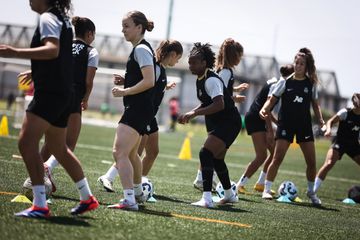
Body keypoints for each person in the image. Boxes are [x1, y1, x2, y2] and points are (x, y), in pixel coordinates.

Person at [0, 0, 98, 218]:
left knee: (26, 143)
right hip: (64, 94)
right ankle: (87, 197)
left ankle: (40, 204)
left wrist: (14, 51)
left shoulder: (48, 18)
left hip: (51, 93)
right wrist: (35, 72)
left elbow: (53, 50)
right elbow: (62, 58)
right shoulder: (63, 21)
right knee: (59, 148)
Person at [98, 40, 183, 192]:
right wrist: (126, 83)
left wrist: (165, 86)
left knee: (152, 152)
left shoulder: (160, 68)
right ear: (172, 54)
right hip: (145, 113)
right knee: (133, 151)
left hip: (151, 114)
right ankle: (116, 179)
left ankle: (139, 182)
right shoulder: (155, 67)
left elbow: (153, 83)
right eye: (178, 58)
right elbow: (144, 82)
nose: (178, 61)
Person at [178, 42, 242, 208]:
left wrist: (194, 113)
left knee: (205, 153)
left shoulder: (211, 79)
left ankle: (206, 198)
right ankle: (229, 195)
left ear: (204, 63)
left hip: (229, 122)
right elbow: (208, 103)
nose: (190, 65)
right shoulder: (201, 78)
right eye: (190, 61)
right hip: (224, 122)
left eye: (194, 62)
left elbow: (219, 104)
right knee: (217, 159)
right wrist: (191, 113)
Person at [40, 16, 99, 192]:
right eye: (93, 35)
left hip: (54, 94)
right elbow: (89, 81)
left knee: (50, 140)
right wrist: (86, 98)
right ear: (89, 34)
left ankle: (34, 177)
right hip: (72, 96)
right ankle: (47, 168)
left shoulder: (64, 46)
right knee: (69, 143)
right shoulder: (91, 51)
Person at [259, 48, 325, 205]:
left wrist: (321, 120)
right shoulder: (285, 82)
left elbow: (315, 105)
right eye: (296, 63)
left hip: (304, 126)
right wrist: (264, 108)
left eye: (302, 64)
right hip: (286, 125)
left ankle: (311, 192)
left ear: (306, 66)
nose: (298, 66)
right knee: (277, 158)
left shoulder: (311, 84)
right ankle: (266, 190)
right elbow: (272, 99)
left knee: (311, 162)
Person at [106, 11, 156, 211]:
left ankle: (129, 199)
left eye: (127, 26)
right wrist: (127, 81)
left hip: (138, 108)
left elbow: (149, 81)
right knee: (132, 153)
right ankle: (136, 192)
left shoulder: (141, 49)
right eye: (123, 25)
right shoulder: (141, 49)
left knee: (119, 152)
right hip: (141, 108)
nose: (123, 30)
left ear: (139, 28)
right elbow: (145, 78)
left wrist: (125, 90)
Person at [192, 38, 248, 192]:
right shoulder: (225, 71)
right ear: (234, 55)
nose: (240, 59)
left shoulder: (221, 71)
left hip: (220, 118)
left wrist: (235, 90)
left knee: (213, 154)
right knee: (209, 152)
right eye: (240, 56)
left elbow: (221, 89)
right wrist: (234, 97)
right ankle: (201, 179)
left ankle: (224, 190)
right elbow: (218, 95)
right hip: (221, 118)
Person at [236, 64, 294, 194]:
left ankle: (261, 183)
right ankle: (240, 184)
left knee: (273, 153)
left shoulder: (276, 81)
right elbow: (265, 109)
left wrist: (276, 122)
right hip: (256, 119)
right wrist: (270, 130)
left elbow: (267, 110)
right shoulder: (279, 84)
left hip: (258, 117)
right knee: (261, 155)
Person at [314, 93, 360, 193]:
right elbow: (330, 121)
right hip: (340, 142)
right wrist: (328, 130)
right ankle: (313, 190)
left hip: (354, 145)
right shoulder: (345, 112)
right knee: (329, 163)